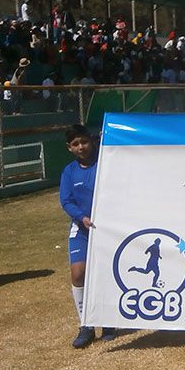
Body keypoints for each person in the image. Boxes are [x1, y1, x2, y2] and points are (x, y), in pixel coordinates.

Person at [59, 124, 116, 347]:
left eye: (84, 141)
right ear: (69, 148)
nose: (81, 147)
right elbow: (66, 201)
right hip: (82, 228)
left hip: (108, 230)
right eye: (75, 144)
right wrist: (81, 217)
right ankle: (86, 325)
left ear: (92, 141)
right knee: (78, 273)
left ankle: (109, 320)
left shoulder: (106, 164)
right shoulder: (69, 172)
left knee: (106, 273)